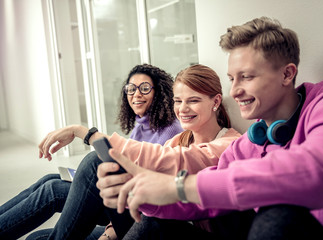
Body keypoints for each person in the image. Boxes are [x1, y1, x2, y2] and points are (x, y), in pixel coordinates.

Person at [98, 17, 323, 239]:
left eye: (247, 77)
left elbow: (319, 173)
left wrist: (179, 186)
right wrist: (141, 192)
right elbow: (205, 195)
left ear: (287, 74)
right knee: (156, 224)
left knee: (277, 215)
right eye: (232, 79)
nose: (234, 91)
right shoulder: (250, 141)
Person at [25, 64, 242, 240]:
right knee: (38, 237)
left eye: (193, 101)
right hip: (152, 212)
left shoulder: (230, 144)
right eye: (178, 101)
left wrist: (85, 133)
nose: (183, 109)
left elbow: (173, 161)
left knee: (93, 163)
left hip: (177, 226)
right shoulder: (178, 140)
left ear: (215, 102)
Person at [0, 63, 183, 240]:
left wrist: (111, 232)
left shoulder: (171, 130)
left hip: (138, 211)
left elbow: (148, 182)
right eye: (131, 88)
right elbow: (116, 160)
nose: (136, 94)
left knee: (53, 189)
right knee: (39, 222)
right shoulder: (142, 125)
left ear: (158, 91)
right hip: (120, 201)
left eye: (144, 88)